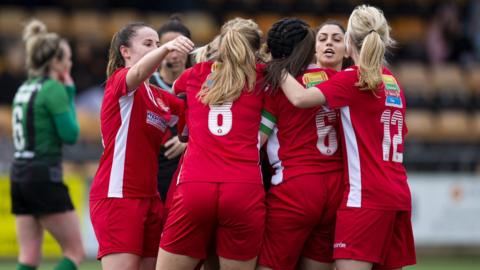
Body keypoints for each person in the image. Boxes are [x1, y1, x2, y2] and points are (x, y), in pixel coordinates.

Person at [279, 5, 416, 270]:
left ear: (349, 41)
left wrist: (279, 68)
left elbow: (299, 98)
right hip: (398, 194)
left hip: (365, 197)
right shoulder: (392, 81)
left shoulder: (353, 78)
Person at [156, 18, 266, 270]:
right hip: (243, 187)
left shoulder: (195, 74)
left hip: (196, 184)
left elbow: (175, 87)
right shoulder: (262, 77)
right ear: (255, 50)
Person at [89, 22, 193, 270]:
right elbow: (137, 74)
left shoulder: (159, 97)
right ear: (126, 52)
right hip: (118, 196)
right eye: (148, 44)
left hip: (151, 198)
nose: (156, 49)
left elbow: (196, 118)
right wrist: (167, 48)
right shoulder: (120, 82)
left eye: (157, 43)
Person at [257, 18, 344, 270]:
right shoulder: (337, 80)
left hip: (295, 187)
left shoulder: (278, 85)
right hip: (335, 188)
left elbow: (256, 142)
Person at [9, 19, 85, 270]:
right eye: (68, 58)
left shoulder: (25, 87)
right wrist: (70, 93)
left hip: (19, 172)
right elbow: (70, 134)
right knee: (74, 252)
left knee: (28, 256)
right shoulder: (53, 89)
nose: (71, 63)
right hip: (43, 174)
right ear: (56, 62)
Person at [149, 14, 192, 202]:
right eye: (169, 46)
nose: (174, 53)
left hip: (188, 171)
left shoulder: (201, 83)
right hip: (151, 170)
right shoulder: (146, 83)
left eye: (180, 46)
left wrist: (189, 141)